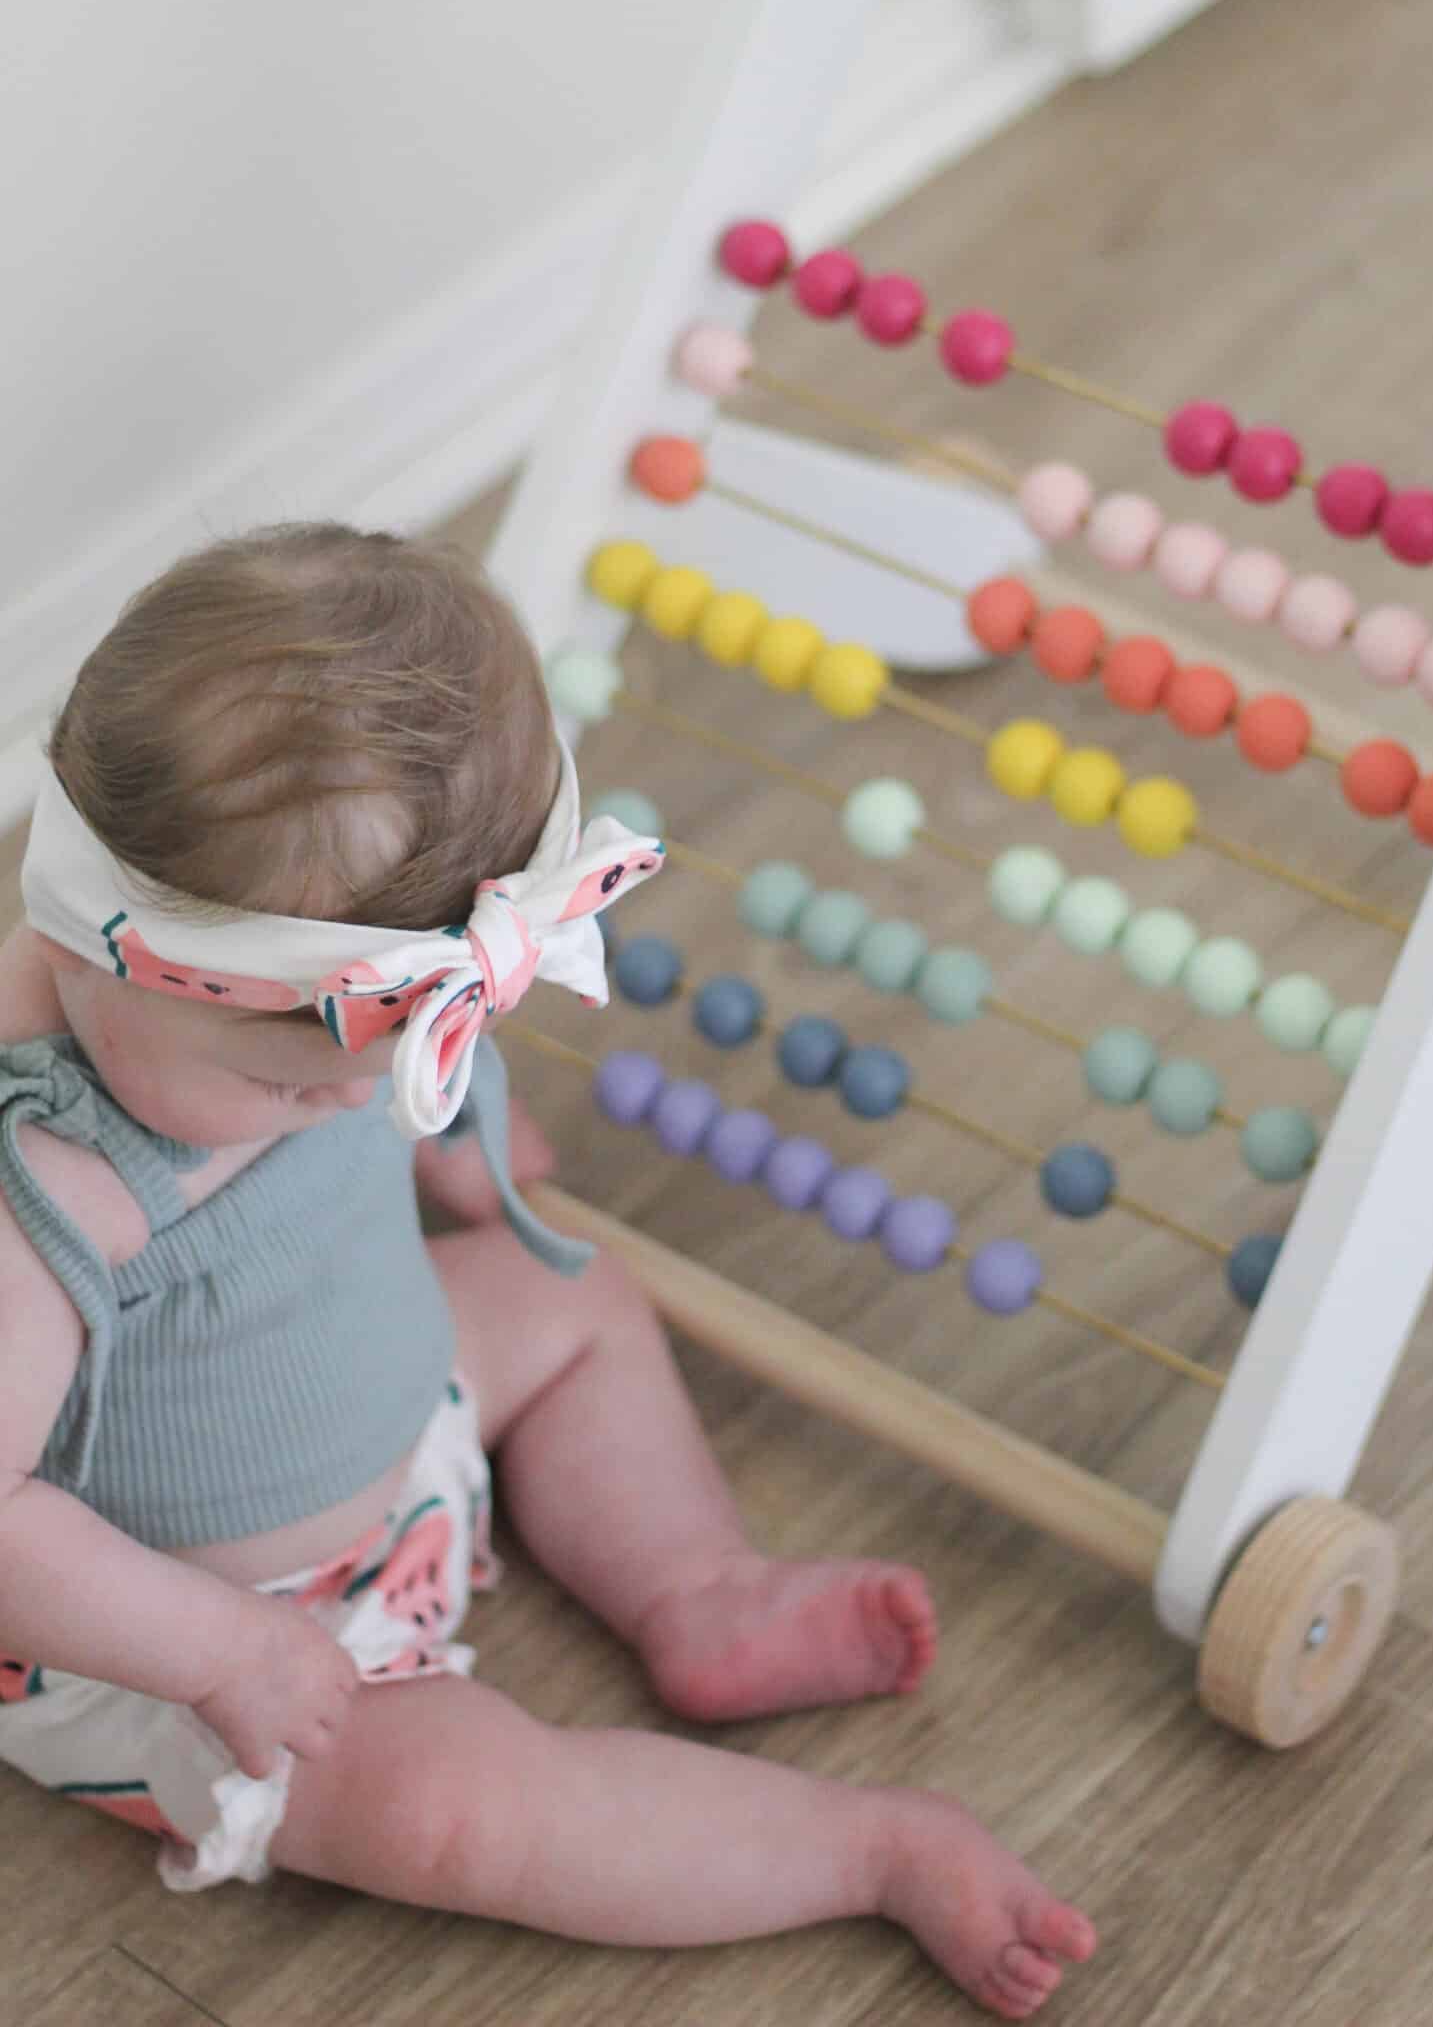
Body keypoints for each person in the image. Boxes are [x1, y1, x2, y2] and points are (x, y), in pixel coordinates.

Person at [0, 523, 1094, 2020]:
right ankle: (868, 1850)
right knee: (450, 1812)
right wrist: (221, 1649)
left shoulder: (309, 1028)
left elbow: (386, 1070)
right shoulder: (48, 1192)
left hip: (395, 1392)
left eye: (421, 1055)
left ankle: (697, 1587)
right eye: (299, 1091)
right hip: (203, 1625)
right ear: (93, 946)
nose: (352, 1104)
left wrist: (455, 1149)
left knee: (580, 1297)